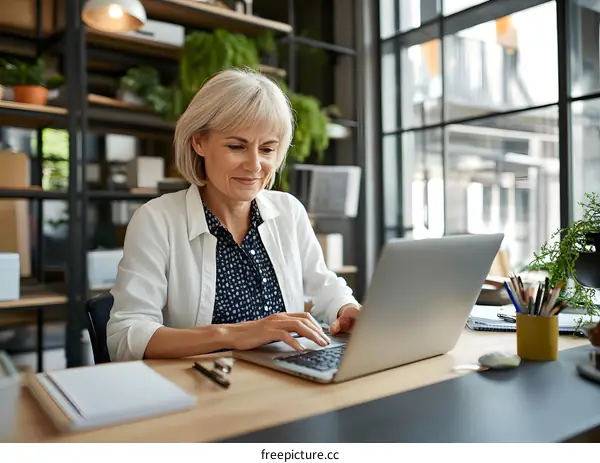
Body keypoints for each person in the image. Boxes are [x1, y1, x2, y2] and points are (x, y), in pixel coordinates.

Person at [106, 68, 361, 362]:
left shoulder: (288, 211)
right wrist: (233, 335)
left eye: (267, 149)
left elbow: (323, 284)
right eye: (236, 146)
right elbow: (126, 335)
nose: (255, 165)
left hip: (288, 379)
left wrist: (345, 309)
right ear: (198, 141)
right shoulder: (156, 220)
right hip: (206, 387)